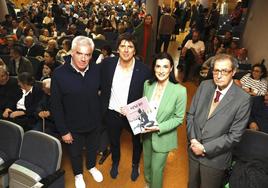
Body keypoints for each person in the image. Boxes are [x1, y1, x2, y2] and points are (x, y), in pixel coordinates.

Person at [187, 54, 251, 188]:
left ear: (233, 72)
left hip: (215, 161)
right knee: (192, 185)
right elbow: (191, 115)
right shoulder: (204, 85)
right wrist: (193, 140)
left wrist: (204, 148)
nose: (219, 75)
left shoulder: (243, 99)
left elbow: (235, 136)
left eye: (225, 71)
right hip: (193, 151)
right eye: (216, 70)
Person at [51, 36, 103, 188]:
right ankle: (78, 175)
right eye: (80, 53)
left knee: (93, 149)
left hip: (94, 123)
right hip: (72, 126)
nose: (84, 58)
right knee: (75, 154)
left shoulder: (96, 69)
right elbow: (56, 105)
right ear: (72, 53)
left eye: (87, 54)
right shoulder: (59, 74)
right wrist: (63, 131)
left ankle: (92, 167)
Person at [100, 33, 151, 181]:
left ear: (135, 50)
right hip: (112, 112)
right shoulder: (107, 64)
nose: (126, 50)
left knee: (137, 142)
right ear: (118, 49)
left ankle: (135, 164)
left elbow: (149, 94)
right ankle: (115, 162)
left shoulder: (144, 70)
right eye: (123, 46)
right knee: (114, 141)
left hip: (136, 112)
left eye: (130, 46)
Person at [142, 52, 187, 188]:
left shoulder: (180, 91)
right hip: (146, 133)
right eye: (158, 66)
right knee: (147, 164)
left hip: (163, 136)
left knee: (157, 169)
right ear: (154, 68)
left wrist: (158, 127)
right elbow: (144, 107)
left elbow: (179, 118)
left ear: (171, 68)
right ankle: (149, 183)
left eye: (165, 67)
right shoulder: (148, 84)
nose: (161, 71)